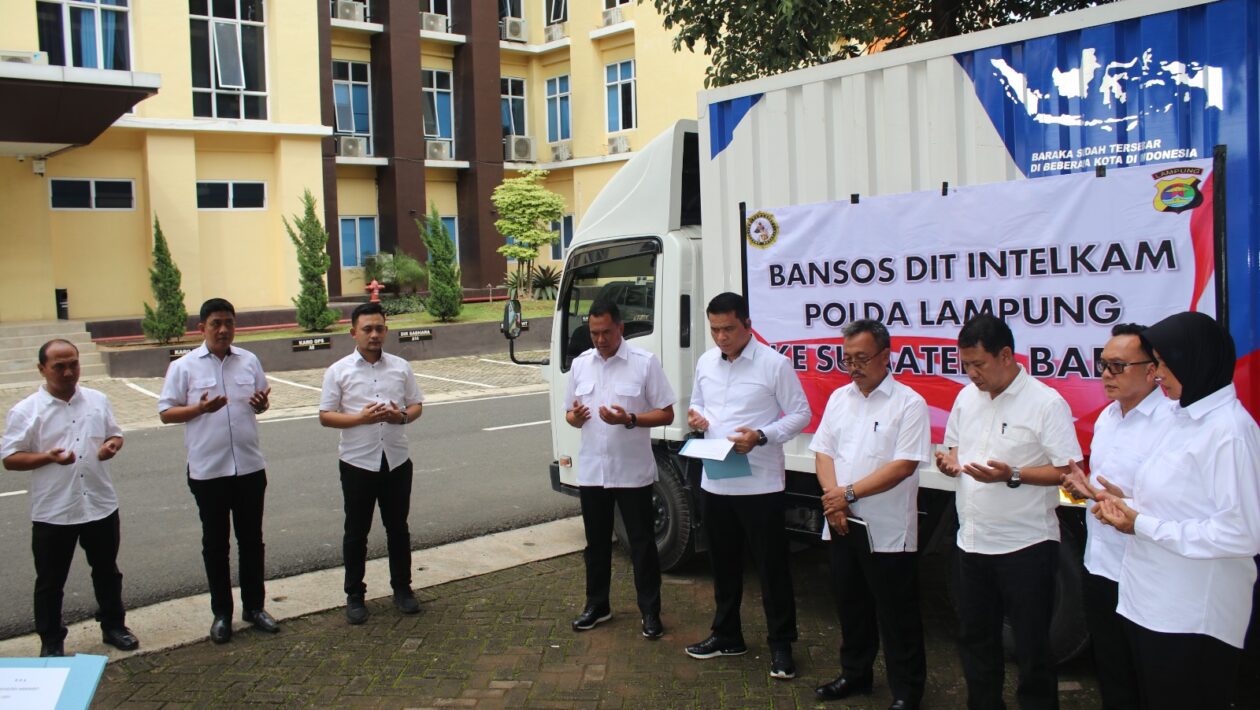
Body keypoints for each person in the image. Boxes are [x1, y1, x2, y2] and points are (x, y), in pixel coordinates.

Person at [1093, 311, 1260, 710]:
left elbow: (1241, 532)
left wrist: (1142, 524)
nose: (1157, 375)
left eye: (1165, 364)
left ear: (1195, 361)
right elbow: (1180, 504)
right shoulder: (1183, 417)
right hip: (1151, 604)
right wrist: (1126, 506)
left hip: (1192, 615)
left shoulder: (1230, 432)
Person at [935, 314, 1081, 710]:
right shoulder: (966, 398)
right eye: (965, 365)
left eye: (978, 364)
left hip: (1025, 546)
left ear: (1005, 355)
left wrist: (1013, 474)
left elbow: (1068, 471)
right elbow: (954, 448)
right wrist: (949, 463)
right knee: (976, 641)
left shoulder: (1046, 403)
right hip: (972, 542)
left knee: (1032, 647)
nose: (972, 374)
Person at [685, 292, 811, 679]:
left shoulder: (774, 364)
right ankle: (727, 635)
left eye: (728, 329)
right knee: (723, 565)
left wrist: (761, 435)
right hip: (716, 480)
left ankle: (781, 645)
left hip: (760, 484)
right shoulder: (706, 362)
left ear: (747, 325)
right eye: (714, 330)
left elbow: (801, 414)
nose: (721, 337)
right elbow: (697, 404)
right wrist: (697, 417)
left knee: (772, 569)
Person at [810, 320, 929, 710]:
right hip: (843, 522)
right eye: (847, 359)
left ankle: (906, 691)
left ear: (885, 356)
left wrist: (846, 495)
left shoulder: (908, 403)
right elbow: (824, 452)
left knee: (897, 614)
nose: (854, 366)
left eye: (862, 358)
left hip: (887, 530)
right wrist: (834, 501)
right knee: (851, 605)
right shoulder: (839, 398)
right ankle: (855, 674)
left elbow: (903, 466)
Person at [2, 339, 139, 657]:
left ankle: (114, 625)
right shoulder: (26, 411)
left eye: (73, 364)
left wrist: (112, 445)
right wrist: (47, 457)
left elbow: (114, 433)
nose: (68, 372)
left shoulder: (97, 400)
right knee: (50, 581)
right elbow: (10, 458)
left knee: (107, 571)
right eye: (59, 366)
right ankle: (51, 641)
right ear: (42, 369)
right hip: (55, 510)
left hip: (99, 504)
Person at [1061, 323, 1171, 710]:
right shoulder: (1107, 417)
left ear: (1152, 369)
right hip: (1101, 565)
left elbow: (1179, 502)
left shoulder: (1173, 422)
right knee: (1112, 670)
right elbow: (1102, 486)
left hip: (1146, 570)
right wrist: (1084, 489)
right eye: (1103, 365)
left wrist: (1126, 503)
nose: (1106, 375)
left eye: (1118, 366)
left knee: (1152, 677)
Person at [158, 298, 279, 643]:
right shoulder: (184, 367)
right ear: (202, 328)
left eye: (229, 323)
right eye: (216, 323)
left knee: (252, 541)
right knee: (215, 545)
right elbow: (166, 412)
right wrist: (198, 409)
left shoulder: (249, 360)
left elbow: (260, 403)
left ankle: (254, 608)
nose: (223, 330)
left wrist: (262, 405)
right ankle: (221, 614)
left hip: (249, 467)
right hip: (208, 471)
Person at [564, 301, 676, 638]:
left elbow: (667, 413)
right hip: (593, 471)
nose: (600, 340)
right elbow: (570, 415)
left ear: (621, 328)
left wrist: (630, 419)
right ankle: (597, 606)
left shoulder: (644, 362)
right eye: (594, 333)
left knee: (642, 544)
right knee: (596, 544)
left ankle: (650, 612)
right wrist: (575, 417)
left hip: (632, 471)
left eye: (606, 333)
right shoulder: (581, 364)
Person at [319, 301, 425, 625]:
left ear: (386, 330)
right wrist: (359, 419)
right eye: (367, 329)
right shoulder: (338, 371)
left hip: (396, 461)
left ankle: (402, 589)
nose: (374, 334)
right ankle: (354, 595)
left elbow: (416, 405)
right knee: (356, 532)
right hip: (357, 464)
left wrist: (400, 416)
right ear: (354, 332)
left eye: (379, 328)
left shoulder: (400, 367)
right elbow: (325, 416)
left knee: (398, 529)